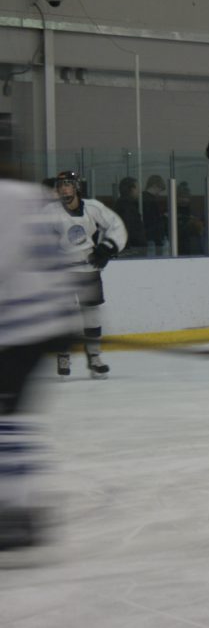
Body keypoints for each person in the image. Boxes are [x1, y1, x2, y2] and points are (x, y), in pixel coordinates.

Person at [0, 177, 79, 551]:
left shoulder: (5, 196)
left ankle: (15, 512)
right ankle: (19, 509)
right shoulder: (26, 193)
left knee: (6, 419)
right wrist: (63, 315)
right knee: (10, 419)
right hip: (34, 324)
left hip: (17, 331)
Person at [42, 170, 127, 378]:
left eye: (68, 184)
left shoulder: (92, 207)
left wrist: (107, 248)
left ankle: (95, 357)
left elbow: (116, 225)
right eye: (60, 186)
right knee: (65, 318)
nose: (64, 189)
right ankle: (63, 355)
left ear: (76, 187)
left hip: (88, 269)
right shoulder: (50, 211)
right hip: (63, 272)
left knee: (91, 316)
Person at [113, 177, 146, 255]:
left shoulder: (122, 204)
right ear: (132, 189)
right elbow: (129, 229)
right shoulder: (126, 207)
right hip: (132, 249)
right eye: (137, 188)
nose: (139, 191)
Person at [142, 175, 168, 255]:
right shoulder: (150, 200)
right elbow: (153, 220)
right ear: (154, 185)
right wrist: (163, 217)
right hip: (152, 237)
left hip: (148, 235)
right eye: (159, 189)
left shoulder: (142, 197)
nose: (159, 193)